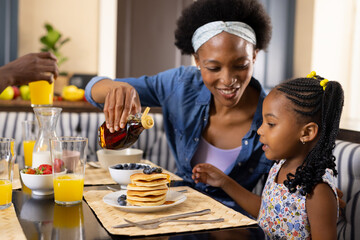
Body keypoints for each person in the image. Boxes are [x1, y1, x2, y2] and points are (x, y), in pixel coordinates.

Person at [85, 0, 273, 212]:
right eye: (213, 67)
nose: (228, 79)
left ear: (255, 55)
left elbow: (279, 210)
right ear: (197, 60)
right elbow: (92, 89)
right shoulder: (179, 85)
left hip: (232, 226)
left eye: (241, 65)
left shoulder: (273, 118)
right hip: (173, 212)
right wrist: (117, 88)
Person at [192, 73, 344, 239]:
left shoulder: (318, 191)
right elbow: (268, 211)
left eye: (271, 124)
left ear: (307, 132)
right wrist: (224, 182)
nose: (260, 130)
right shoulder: (279, 166)